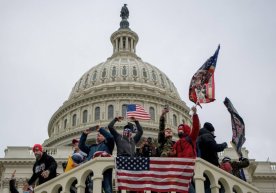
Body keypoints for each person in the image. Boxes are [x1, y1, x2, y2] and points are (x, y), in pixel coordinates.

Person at [78, 126, 114, 193]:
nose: (98, 136)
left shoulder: (108, 145)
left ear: (104, 137)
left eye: (100, 135)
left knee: (108, 189)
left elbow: (110, 137)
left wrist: (100, 130)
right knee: (93, 189)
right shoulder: (91, 147)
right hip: (93, 171)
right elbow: (81, 146)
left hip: (105, 170)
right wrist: (84, 134)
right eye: (97, 135)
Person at [173, 106, 200, 193]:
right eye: (179, 130)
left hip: (189, 166)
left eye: (181, 130)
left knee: (188, 186)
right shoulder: (177, 143)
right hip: (180, 169)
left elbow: (196, 128)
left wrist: (195, 114)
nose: (179, 131)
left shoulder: (191, 138)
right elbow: (174, 154)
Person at [196, 122, 228, 193]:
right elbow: (214, 147)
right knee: (215, 186)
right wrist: (224, 145)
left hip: (202, 165)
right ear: (211, 130)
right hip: (209, 164)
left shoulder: (199, 137)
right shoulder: (207, 136)